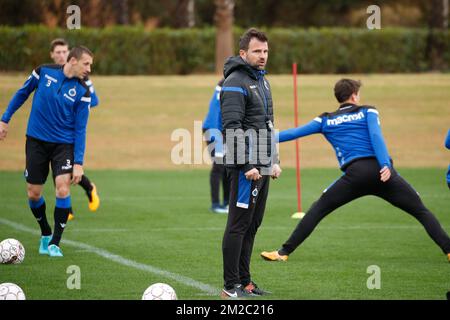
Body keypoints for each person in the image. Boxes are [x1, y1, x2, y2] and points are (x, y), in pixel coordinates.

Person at [261, 78, 450, 263]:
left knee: (318, 209)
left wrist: (261, 137)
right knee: (421, 211)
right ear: (354, 95)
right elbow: (376, 136)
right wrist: (386, 165)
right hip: (383, 172)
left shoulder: (325, 119)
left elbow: (294, 133)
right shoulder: (368, 111)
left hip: (355, 175)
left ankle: (283, 252)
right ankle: (449, 251)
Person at [0, 46, 94, 257]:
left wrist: (78, 162)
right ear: (72, 60)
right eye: (86, 63)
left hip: (64, 145)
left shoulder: (83, 91)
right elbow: (22, 93)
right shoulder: (43, 72)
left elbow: (81, 129)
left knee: (62, 188)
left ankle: (55, 243)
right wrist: (5, 119)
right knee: (34, 193)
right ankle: (45, 232)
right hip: (36, 142)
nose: (89, 68)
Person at [220, 28, 282, 298]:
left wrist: (273, 161)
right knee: (238, 225)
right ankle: (230, 286)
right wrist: (247, 166)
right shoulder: (235, 81)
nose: (263, 56)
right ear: (243, 53)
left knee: (253, 225)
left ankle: (245, 282)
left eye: (266, 51)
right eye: (257, 51)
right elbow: (231, 127)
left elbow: (268, 126)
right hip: (246, 170)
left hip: (262, 166)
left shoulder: (263, 81)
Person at [50, 38, 100, 221]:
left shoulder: (82, 76)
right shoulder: (50, 74)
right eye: (58, 52)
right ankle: (78, 197)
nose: (62, 55)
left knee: (66, 168)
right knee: (60, 170)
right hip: (50, 131)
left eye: (65, 52)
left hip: (71, 131)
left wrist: (74, 111)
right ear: (52, 55)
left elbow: (93, 101)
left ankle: (74, 201)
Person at [202, 78, 229, 214]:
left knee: (226, 166)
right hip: (214, 130)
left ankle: (226, 202)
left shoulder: (227, 86)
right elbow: (215, 115)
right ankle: (215, 204)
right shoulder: (224, 88)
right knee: (219, 166)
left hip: (220, 130)